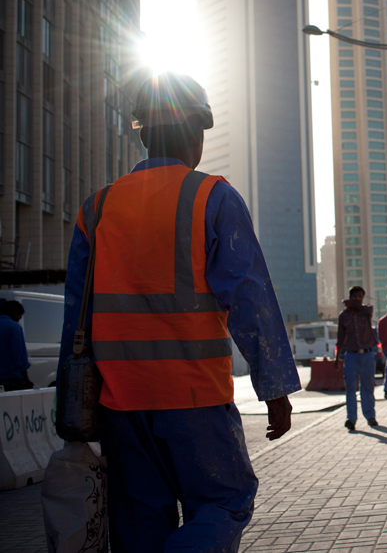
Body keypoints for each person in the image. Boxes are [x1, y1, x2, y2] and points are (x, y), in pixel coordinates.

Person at [59, 72, 298, 552]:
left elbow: (75, 321)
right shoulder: (212, 197)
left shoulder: (98, 209)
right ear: (197, 132)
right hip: (196, 400)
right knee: (225, 503)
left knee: (140, 529)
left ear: (142, 132)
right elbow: (250, 301)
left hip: (120, 405)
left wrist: (71, 406)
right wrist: (275, 390)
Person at [336, 286, 378, 430]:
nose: (357, 299)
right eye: (355, 297)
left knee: (368, 388)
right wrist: (337, 359)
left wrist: (354, 304)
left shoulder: (366, 311)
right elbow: (340, 338)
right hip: (351, 356)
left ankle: (370, 416)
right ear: (350, 296)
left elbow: (367, 310)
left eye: (360, 297)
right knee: (350, 389)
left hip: (367, 355)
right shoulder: (343, 316)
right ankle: (351, 418)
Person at [0, 301, 32, 391]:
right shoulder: (14, 327)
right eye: (19, 317)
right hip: (10, 378)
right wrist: (26, 380)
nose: (18, 320)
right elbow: (19, 357)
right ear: (15, 314)